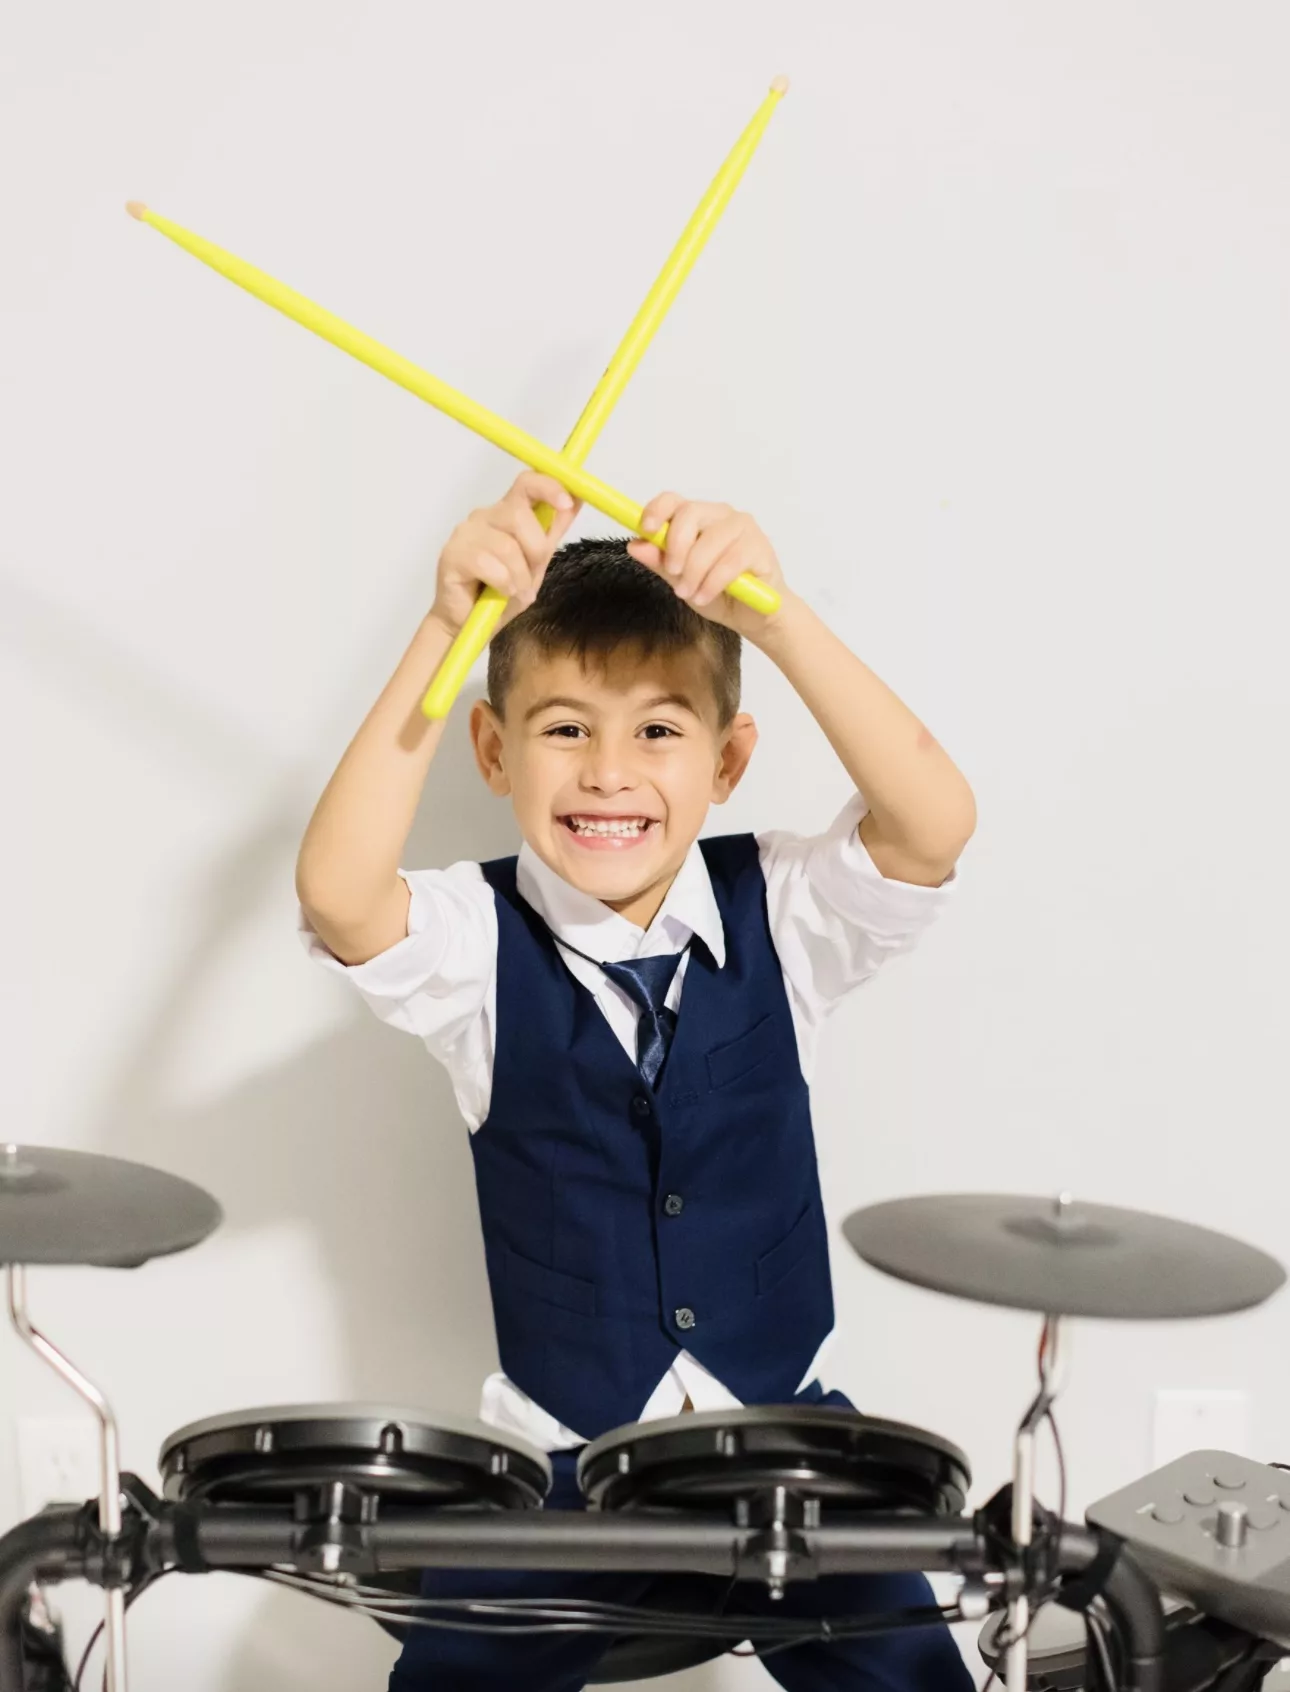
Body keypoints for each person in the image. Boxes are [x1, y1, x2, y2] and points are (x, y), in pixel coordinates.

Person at [296, 472, 977, 1690]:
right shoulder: (474, 946)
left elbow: (932, 821)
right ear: (496, 750)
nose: (610, 771)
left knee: (911, 1674)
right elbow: (342, 894)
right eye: (566, 728)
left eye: (660, 730)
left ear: (729, 759)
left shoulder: (784, 908)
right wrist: (448, 625)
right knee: (457, 1678)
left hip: (784, 1442)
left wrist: (775, 619)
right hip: (562, 1461)